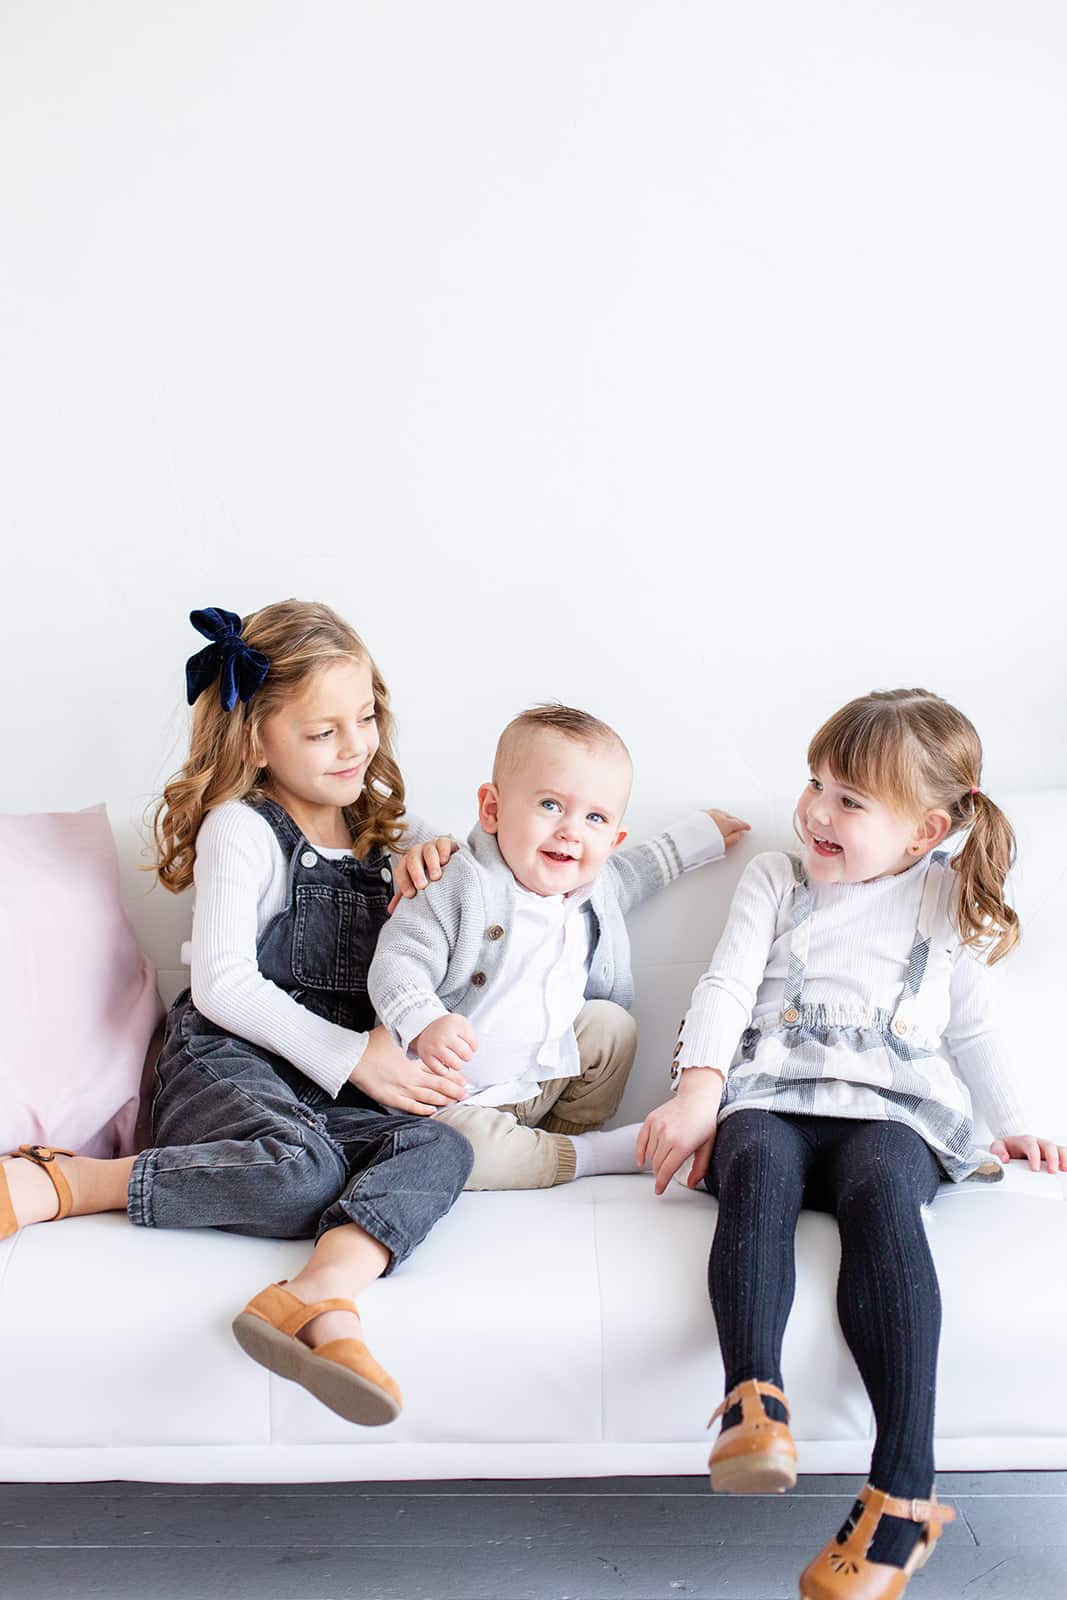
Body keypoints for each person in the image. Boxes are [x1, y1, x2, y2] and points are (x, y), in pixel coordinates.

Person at [637, 688, 1067, 1600]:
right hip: (773, 1095)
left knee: (883, 1195)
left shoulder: (944, 899)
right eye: (814, 784)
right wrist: (698, 1089)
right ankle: (754, 1401)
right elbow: (724, 982)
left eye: (847, 801)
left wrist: (1015, 1121)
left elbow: (974, 1030)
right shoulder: (775, 878)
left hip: (894, 1111)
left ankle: (902, 1495)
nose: (815, 812)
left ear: (925, 831)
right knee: (753, 1165)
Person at [0, 601, 474, 1427]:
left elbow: (499, 891)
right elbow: (223, 983)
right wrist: (355, 1058)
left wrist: (453, 863)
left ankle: (314, 1298)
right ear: (255, 739)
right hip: (227, 1060)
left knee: (437, 1145)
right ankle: (68, 1180)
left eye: (363, 718)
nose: (355, 745)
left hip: (317, 1093)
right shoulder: (243, 828)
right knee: (305, 1171)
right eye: (322, 732)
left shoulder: (390, 831)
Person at [368, 702, 748, 1188]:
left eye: (595, 817)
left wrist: (701, 837)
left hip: (540, 1081)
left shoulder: (597, 888)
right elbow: (396, 961)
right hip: (450, 1101)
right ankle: (585, 1156)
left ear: (613, 838)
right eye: (550, 805)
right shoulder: (457, 882)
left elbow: (639, 871)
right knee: (465, 1153)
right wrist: (425, 1021)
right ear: (493, 809)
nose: (571, 830)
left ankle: (563, 1136)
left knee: (612, 1029)